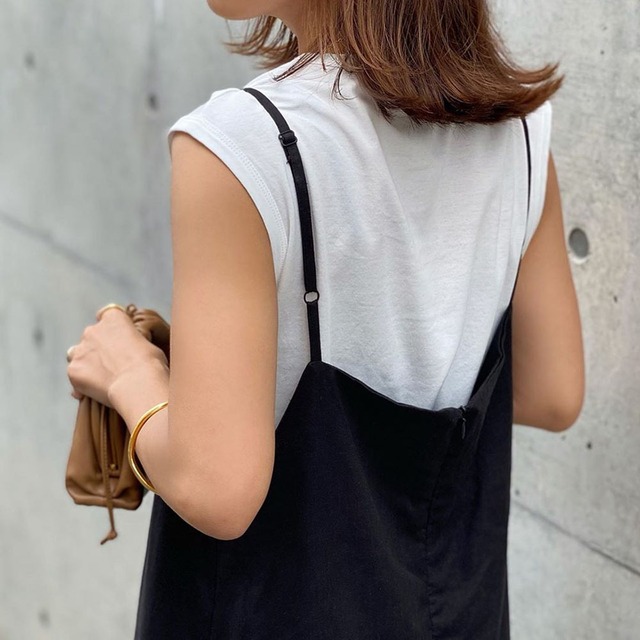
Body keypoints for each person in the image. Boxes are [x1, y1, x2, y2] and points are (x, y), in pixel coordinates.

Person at [66, 0, 585, 637]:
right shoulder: (522, 133)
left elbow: (218, 489)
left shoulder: (243, 145)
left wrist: (128, 372)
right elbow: (552, 392)